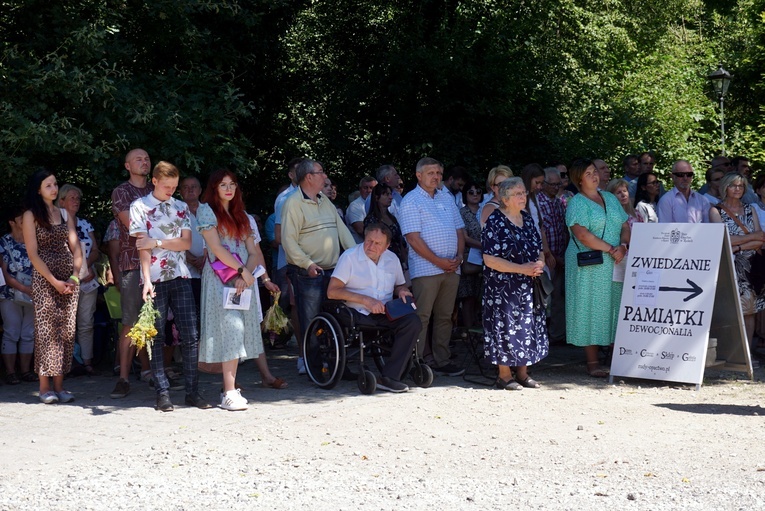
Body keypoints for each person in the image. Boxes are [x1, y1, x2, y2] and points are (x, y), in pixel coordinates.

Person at [197, 169, 282, 411]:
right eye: (223, 184)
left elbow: (254, 252)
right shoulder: (206, 211)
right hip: (219, 279)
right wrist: (242, 272)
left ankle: (230, 389)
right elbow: (216, 248)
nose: (228, 188)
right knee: (230, 330)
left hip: (242, 281)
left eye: (232, 184)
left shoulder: (242, 215)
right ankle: (229, 391)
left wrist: (245, 274)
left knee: (239, 329)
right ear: (214, 188)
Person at [129, 161, 210, 412]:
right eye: (167, 186)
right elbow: (143, 247)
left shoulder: (181, 206)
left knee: (191, 334)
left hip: (181, 275)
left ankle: (192, 391)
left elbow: (186, 243)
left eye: (174, 186)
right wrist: (146, 280)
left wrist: (157, 241)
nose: (171, 191)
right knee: (157, 334)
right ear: (154, 181)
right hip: (154, 278)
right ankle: (162, 392)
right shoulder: (139, 206)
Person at [281, 158, 356, 374]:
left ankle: (338, 365)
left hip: (333, 271)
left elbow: (342, 231)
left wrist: (356, 257)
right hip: (307, 273)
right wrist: (308, 263)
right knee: (312, 322)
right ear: (309, 177)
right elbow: (289, 242)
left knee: (338, 319)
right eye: (321, 172)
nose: (325, 176)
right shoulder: (292, 203)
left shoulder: (324, 200)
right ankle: (315, 369)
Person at [327, 223, 418, 393]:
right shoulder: (350, 257)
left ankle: (389, 377)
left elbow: (399, 286)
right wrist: (365, 300)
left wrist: (403, 291)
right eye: (369, 241)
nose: (371, 246)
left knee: (412, 321)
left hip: (384, 310)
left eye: (378, 244)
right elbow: (332, 292)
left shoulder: (392, 259)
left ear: (386, 246)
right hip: (355, 311)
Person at [399, 157, 466, 376]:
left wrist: (458, 256)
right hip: (427, 269)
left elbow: (459, 230)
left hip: (452, 267)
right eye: (430, 173)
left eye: (438, 173)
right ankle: (415, 362)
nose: (436, 177)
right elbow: (413, 239)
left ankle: (441, 359)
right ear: (418, 175)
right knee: (422, 317)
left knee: (446, 316)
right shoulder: (410, 200)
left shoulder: (446, 198)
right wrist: (439, 261)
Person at [22, 170, 82, 404]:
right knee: (47, 333)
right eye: (48, 185)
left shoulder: (64, 213)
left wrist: (74, 277)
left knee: (66, 332)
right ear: (38, 189)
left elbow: (76, 247)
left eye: (55, 184)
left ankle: (60, 386)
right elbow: (33, 253)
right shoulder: (31, 215)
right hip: (46, 281)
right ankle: (44, 387)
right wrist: (54, 282)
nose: (54, 189)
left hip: (68, 280)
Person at [565, 159, 629, 377]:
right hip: (590, 264)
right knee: (590, 308)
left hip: (616, 260)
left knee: (614, 306)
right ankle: (592, 363)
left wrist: (623, 245)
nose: (594, 176)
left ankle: (614, 358)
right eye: (588, 173)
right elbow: (582, 234)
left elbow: (624, 225)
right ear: (579, 179)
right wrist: (611, 249)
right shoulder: (577, 203)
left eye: (595, 172)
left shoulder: (610, 198)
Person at [482, 178, 548, 390]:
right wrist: (521, 269)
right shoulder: (495, 221)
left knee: (527, 326)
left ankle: (522, 373)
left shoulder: (527, 218)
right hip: (503, 286)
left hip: (528, 284)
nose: (523, 197)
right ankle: (504, 375)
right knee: (505, 327)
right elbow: (489, 259)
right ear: (505, 199)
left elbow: (539, 247)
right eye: (518, 194)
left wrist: (540, 263)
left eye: (524, 193)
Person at [110, 148, 153, 398]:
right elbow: (134, 226)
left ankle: (151, 372)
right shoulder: (121, 192)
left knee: (152, 320)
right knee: (129, 321)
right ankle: (124, 377)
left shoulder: (155, 190)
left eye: (147, 158)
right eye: (139, 159)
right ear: (127, 166)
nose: (144, 162)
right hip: (132, 263)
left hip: (158, 262)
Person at [709, 173, 765, 349]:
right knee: (730, 311)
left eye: (741, 186)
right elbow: (722, 239)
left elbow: (761, 238)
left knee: (750, 311)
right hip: (728, 266)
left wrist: (738, 245)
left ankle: (747, 352)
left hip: (751, 267)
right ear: (725, 187)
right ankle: (731, 351)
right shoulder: (715, 210)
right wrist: (749, 238)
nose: (737, 189)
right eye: (733, 185)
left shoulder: (750, 209)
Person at [56, 184, 101, 376]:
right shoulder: (54, 225)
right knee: (65, 323)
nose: (76, 201)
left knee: (86, 322)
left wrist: (87, 267)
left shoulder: (85, 224)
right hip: (64, 281)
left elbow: (97, 250)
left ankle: (87, 362)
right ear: (61, 201)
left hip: (88, 279)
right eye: (72, 198)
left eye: (78, 199)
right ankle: (67, 363)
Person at [0, 205, 36, 385]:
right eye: (22, 219)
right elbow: (4, 275)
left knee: (28, 333)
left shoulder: (34, 240)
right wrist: (24, 288)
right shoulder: (3, 243)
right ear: (12, 222)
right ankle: (10, 372)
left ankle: (25, 371)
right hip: (9, 294)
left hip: (32, 293)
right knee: (11, 332)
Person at [537, 167, 568, 343]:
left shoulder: (557, 202)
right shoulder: (537, 203)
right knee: (545, 297)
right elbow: (541, 232)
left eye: (558, 184)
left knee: (558, 296)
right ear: (544, 184)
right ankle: (543, 335)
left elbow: (561, 229)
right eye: (553, 184)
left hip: (559, 256)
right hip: (546, 257)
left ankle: (556, 334)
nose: (557, 187)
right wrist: (550, 255)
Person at [363, 183, 408, 270]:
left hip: (397, 262)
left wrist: (404, 260)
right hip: (381, 263)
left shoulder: (392, 218)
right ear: (376, 197)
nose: (390, 197)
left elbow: (400, 241)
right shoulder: (371, 220)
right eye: (386, 194)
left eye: (390, 194)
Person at [457, 181, 483, 329]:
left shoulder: (485, 209)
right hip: (469, 255)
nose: (475, 195)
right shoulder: (462, 212)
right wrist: (485, 245)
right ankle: (468, 330)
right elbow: (464, 237)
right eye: (471, 192)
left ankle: (479, 325)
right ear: (465, 195)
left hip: (485, 256)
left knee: (480, 293)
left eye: (478, 191)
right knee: (468, 296)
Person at [346, 176, 377, 243]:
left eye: (372, 188)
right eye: (365, 188)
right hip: (359, 247)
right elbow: (361, 230)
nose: (369, 191)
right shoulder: (355, 206)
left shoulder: (380, 203)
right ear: (360, 189)